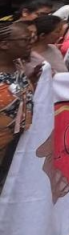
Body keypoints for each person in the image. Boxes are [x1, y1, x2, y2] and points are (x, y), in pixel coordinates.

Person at [0, 22, 38, 190]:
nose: (30, 43)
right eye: (25, 40)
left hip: (18, 143)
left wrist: (34, 79)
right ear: (4, 44)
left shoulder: (18, 65)